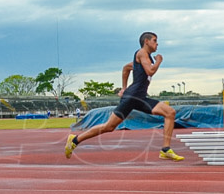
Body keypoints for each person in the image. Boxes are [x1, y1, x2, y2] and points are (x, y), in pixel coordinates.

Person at [64, 31, 184, 161]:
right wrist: (159, 62)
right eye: (155, 40)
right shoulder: (142, 53)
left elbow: (126, 68)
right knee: (108, 127)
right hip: (132, 98)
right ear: (146, 41)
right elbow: (150, 71)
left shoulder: (145, 58)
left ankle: (165, 149)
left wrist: (124, 87)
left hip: (139, 98)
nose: (157, 44)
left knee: (169, 113)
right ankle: (75, 139)